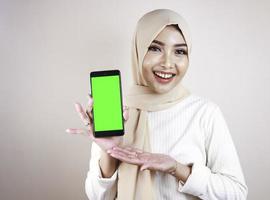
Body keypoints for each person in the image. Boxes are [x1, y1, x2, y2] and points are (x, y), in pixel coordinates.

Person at [66, 9, 248, 200]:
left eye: (179, 51)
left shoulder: (204, 113)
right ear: (138, 50)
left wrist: (177, 169)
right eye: (155, 48)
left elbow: (236, 193)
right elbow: (97, 197)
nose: (168, 63)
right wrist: (109, 152)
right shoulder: (117, 112)